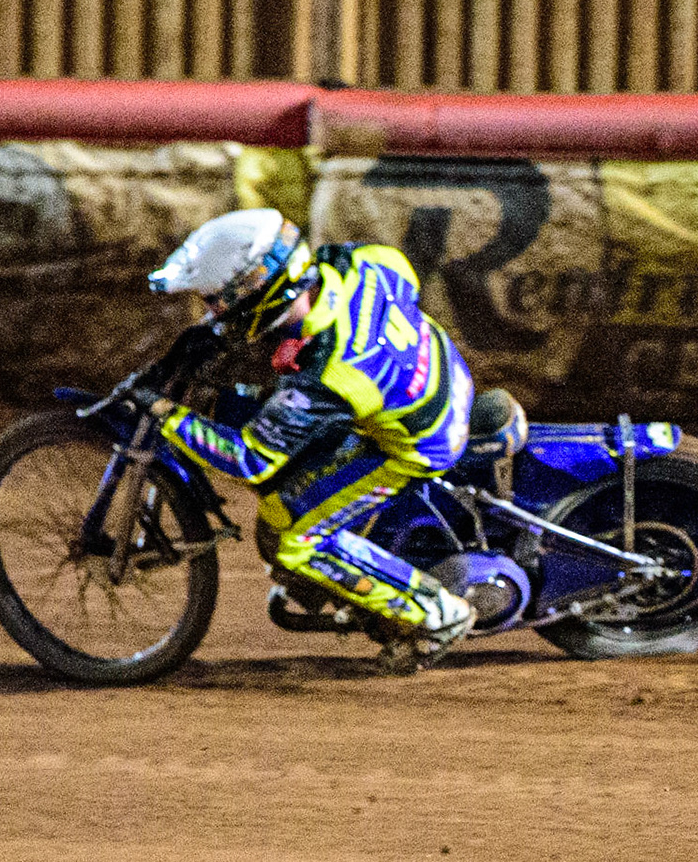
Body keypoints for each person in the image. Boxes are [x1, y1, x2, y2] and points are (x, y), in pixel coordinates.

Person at [135, 208, 476, 665]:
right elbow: (400, 284)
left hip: (417, 443)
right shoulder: (363, 261)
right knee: (271, 420)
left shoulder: (331, 375)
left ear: (260, 295)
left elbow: (249, 460)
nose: (212, 312)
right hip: (443, 370)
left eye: (215, 301)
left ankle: (435, 613)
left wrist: (164, 414)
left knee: (299, 545)